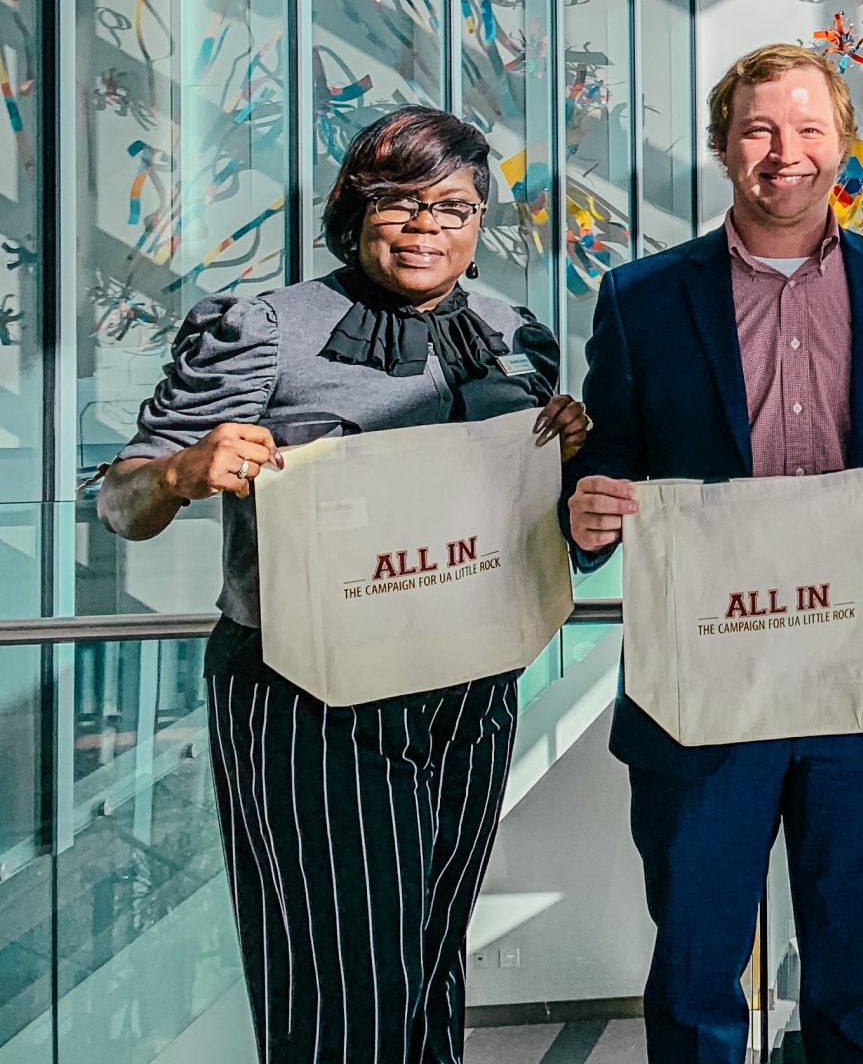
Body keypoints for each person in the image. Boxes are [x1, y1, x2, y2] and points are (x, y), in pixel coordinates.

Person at [96, 107, 587, 1064]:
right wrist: (183, 471)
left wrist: (569, 458)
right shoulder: (269, 330)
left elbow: (531, 518)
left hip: (470, 687)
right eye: (398, 202)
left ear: (480, 219)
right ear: (353, 211)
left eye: (452, 206)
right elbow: (120, 503)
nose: (425, 227)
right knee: (338, 982)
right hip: (307, 696)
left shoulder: (514, 337)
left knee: (434, 962)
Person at [563, 45, 863, 1064]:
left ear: (844, 144)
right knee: (695, 989)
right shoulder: (640, 298)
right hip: (701, 697)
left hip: (861, 693)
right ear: (723, 146)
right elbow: (607, 460)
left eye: (811, 129)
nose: (787, 153)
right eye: (761, 131)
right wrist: (587, 509)